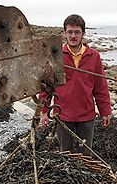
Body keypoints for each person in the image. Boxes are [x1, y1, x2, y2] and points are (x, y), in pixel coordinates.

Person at [40, 14, 111, 155]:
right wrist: (44, 111)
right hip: (62, 115)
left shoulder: (94, 56)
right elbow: (47, 86)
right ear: (65, 33)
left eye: (77, 32)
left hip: (86, 116)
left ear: (83, 34)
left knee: (86, 155)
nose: (73, 36)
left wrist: (105, 111)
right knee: (65, 155)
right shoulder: (56, 55)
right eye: (70, 32)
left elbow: (100, 86)